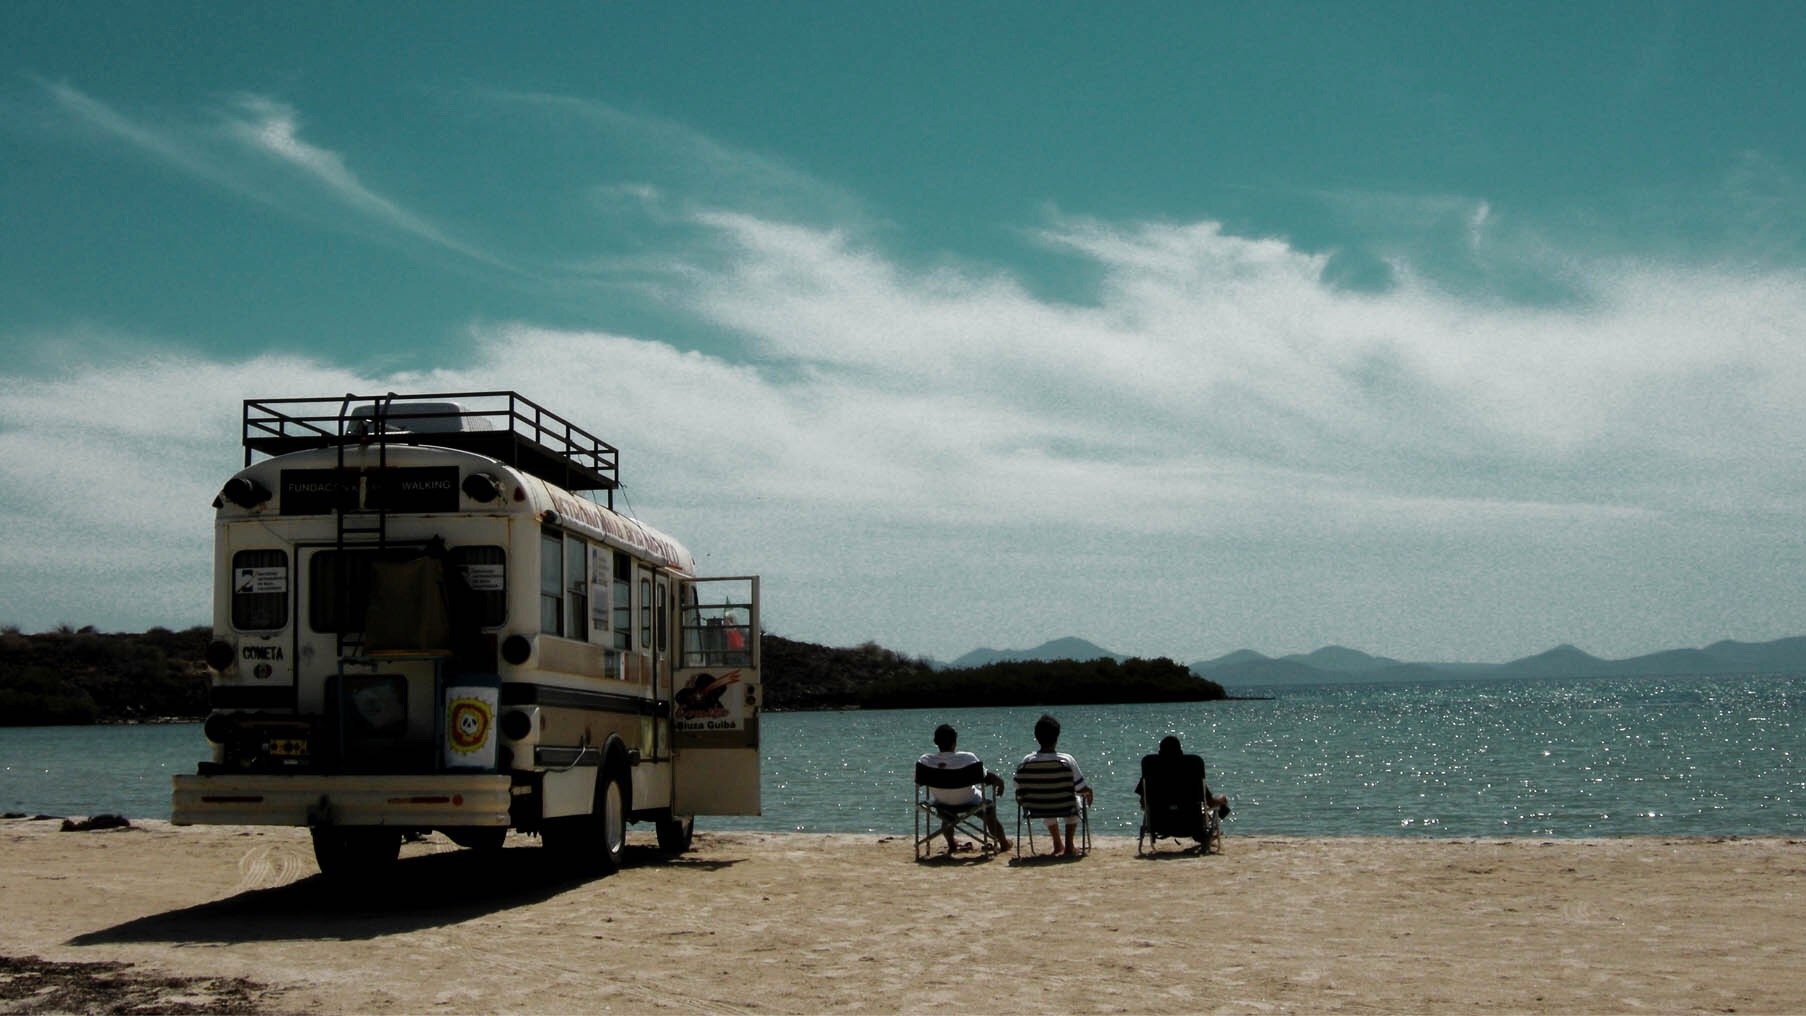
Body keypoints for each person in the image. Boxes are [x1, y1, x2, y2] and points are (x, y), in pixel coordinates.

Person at [916, 724, 1010, 853]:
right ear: (955, 742)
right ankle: (1003, 843)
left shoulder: (925, 761)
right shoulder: (968, 758)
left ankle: (951, 844)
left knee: (946, 816)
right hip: (970, 801)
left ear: (935, 742)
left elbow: (918, 781)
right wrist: (1000, 781)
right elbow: (986, 777)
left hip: (942, 804)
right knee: (989, 810)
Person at [1019, 713, 1094, 856]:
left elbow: (1018, 787)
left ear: (1037, 737)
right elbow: (1080, 788)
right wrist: (1089, 792)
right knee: (1075, 800)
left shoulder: (1027, 761)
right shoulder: (1065, 760)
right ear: (1057, 737)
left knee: (1044, 795)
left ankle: (1057, 843)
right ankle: (1069, 846)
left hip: (1037, 806)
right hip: (1063, 805)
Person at [1134, 735, 1230, 839]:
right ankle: (1206, 834)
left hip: (1159, 823)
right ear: (1180, 749)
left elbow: (1143, 802)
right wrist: (1222, 801)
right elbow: (1209, 801)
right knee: (1219, 803)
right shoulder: (1192, 766)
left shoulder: (1151, 767)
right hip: (1190, 823)